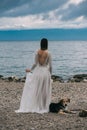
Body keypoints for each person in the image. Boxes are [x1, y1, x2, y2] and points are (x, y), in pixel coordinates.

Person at [15, 38, 52, 113]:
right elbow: (50, 66)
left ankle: (37, 105)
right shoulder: (48, 53)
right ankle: (44, 106)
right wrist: (50, 74)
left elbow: (35, 64)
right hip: (45, 73)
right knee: (44, 90)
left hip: (38, 72)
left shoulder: (37, 52)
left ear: (41, 43)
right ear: (47, 44)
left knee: (37, 89)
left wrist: (31, 70)